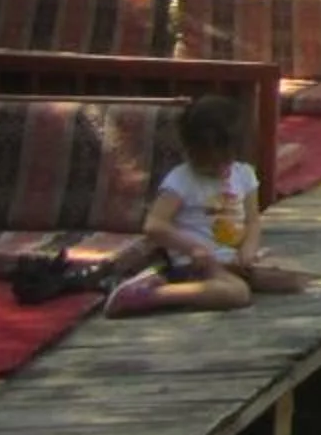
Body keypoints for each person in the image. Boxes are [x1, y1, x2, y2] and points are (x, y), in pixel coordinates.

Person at [104, 96, 309, 315]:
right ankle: (150, 295)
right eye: (205, 161)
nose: (216, 168)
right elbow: (154, 225)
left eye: (222, 160)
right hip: (198, 264)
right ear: (189, 150)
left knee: (295, 276)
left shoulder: (244, 175)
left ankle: (217, 286)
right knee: (237, 294)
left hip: (234, 261)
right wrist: (193, 248)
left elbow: (252, 220)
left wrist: (248, 251)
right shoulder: (181, 180)